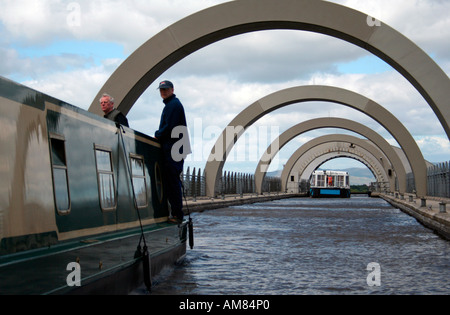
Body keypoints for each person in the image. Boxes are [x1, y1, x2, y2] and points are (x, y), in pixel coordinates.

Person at [155, 80, 191, 224]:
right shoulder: (172, 104)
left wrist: (157, 134)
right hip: (175, 148)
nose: (163, 92)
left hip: (173, 149)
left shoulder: (173, 105)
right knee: (172, 181)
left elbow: (169, 127)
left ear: (172, 89)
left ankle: (177, 214)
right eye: (161, 90)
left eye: (166, 89)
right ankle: (176, 213)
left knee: (172, 182)